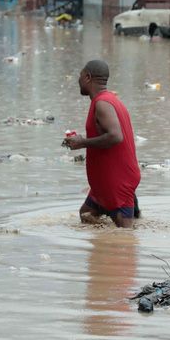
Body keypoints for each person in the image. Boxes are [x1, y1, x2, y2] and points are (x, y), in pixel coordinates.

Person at [63, 59, 141, 228]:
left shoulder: (102, 103)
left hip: (116, 181)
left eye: (80, 76)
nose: (78, 80)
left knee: (125, 237)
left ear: (88, 77)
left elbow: (115, 136)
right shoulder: (108, 100)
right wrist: (83, 140)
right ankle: (101, 247)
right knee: (86, 215)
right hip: (103, 183)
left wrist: (82, 142)